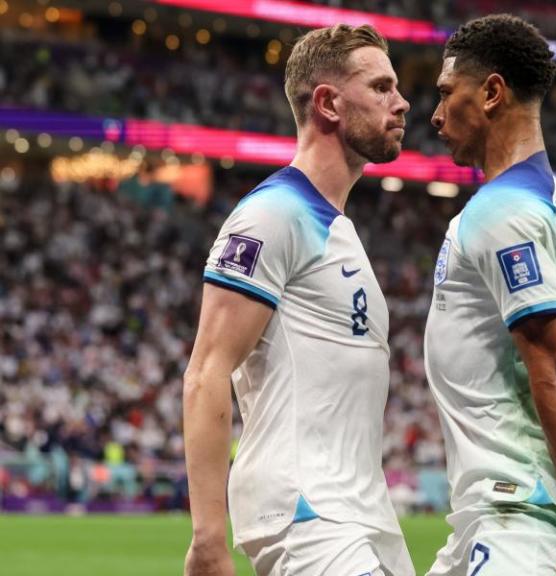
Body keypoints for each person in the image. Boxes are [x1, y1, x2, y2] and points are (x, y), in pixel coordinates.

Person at [182, 24, 414, 576]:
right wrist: (209, 541)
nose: (401, 103)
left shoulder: (339, 227)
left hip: (357, 514)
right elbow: (206, 372)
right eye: (381, 87)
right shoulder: (274, 213)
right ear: (328, 104)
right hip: (307, 512)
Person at [424, 14, 556, 576]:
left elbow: (554, 368)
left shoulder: (506, 211)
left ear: (491, 93)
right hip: (489, 508)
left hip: (518, 510)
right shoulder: (537, 197)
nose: (435, 114)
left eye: (445, 93)